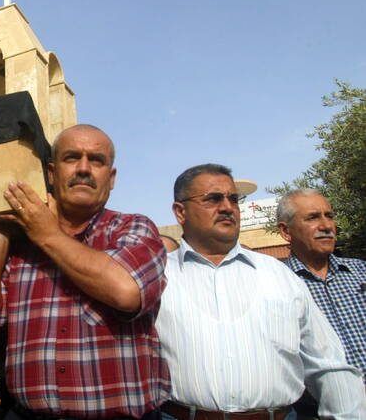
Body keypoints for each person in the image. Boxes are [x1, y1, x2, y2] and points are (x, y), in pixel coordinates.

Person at [0, 124, 169, 419]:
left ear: (111, 179)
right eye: (72, 158)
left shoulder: (132, 229)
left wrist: (47, 234)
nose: (83, 169)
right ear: (51, 173)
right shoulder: (20, 249)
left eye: (96, 161)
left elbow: (126, 292)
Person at [157, 164, 366, 420]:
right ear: (180, 212)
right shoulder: (157, 277)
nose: (227, 207)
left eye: (233, 199)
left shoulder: (280, 276)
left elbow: (328, 363)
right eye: (213, 199)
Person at [277, 189, 366, 384]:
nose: (327, 226)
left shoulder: (361, 272)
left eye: (330, 216)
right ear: (286, 231)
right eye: (313, 218)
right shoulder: (277, 286)